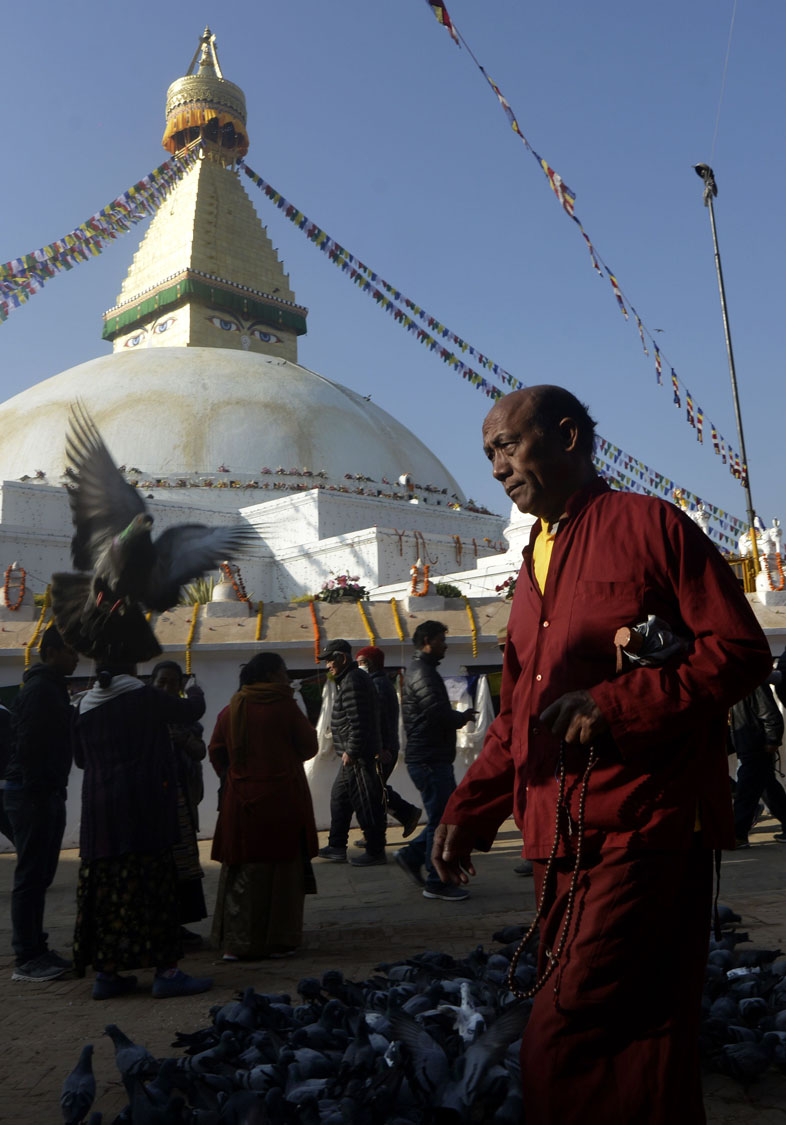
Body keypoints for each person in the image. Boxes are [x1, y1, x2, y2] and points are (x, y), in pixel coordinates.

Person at [432, 385, 772, 1124]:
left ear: (568, 439)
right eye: (488, 452)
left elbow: (740, 650)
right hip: (558, 829)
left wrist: (616, 704)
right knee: (642, 1023)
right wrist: (469, 807)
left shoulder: (650, 526)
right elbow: (519, 715)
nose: (496, 467)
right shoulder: (532, 565)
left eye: (507, 445)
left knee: (565, 1024)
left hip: (646, 822)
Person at [72, 660, 212, 1000]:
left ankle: (107, 975)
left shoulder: (82, 707)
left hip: (101, 816)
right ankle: (167, 973)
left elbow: (79, 759)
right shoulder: (144, 697)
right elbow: (192, 709)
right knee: (153, 890)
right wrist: (195, 687)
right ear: (133, 667)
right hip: (145, 812)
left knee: (108, 892)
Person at [209, 651, 319, 960]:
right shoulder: (284, 706)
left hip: (241, 801)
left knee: (243, 871)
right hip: (283, 797)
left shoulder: (231, 709)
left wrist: (238, 776)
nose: (286, 678)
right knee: (282, 874)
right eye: (283, 672)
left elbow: (217, 753)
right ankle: (280, 941)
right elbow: (310, 746)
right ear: (270, 675)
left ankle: (238, 943)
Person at [4, 626, 78, 982]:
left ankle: (36, 947)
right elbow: (30, 745)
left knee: (39, 875)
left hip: (42, 790)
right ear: (49, 651)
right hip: (33, 793)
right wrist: (41, 792)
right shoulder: (40, 691)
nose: (76, 657)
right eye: (69, 650)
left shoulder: (50, 688)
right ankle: (27, 956)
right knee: (31, 876)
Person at [394, 621, 476, 901]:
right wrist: (462, 717)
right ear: (427, 640)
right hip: (429, 758)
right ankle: (436, 880)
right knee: (441, 819)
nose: (445, 644)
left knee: (439, 817)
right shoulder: (423, 674)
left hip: (430, 755)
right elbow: (437, 714)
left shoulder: (422, 671)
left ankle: (411, 854)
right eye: (442, 639)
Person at [151, 660, 208, 946]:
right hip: (154, 807)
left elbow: (200, 752)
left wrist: (181, 738)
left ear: (180, 686)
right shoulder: (145, 716)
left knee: (183, 866)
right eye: (160, 682)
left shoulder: (186, 719)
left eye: (171, 682)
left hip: (183, 800)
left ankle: (179, 925)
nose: (165, 687)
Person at [317, 639, 387, 867]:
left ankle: (376, 850)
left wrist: (352, 750)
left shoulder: (353, 681)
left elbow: (359, 721)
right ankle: (337, 846)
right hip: (353, 755)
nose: (328, 665)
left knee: (366, 802)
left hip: (358, 755)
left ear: (343, 658)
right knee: (340, 797)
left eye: (330, 660)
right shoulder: (350, 679)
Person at [355, 646, 421, 839]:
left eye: (361, 663)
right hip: (383, 746)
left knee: (375, 792)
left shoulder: (378, 686)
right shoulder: (378, 684)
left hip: (383, 748)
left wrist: (380, 747)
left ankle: (402, 816)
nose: (359, 667)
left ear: (372, 664)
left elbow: (379, 721)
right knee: (376, 791)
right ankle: (382, 829)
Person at [730, 679, 786, 845]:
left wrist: (772, 739)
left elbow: (770, 714)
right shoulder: (735, 685)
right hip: (748, 743)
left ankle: (738, 834)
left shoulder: (750, 684)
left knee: (746, 790)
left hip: (755, 744)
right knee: (768, 788)